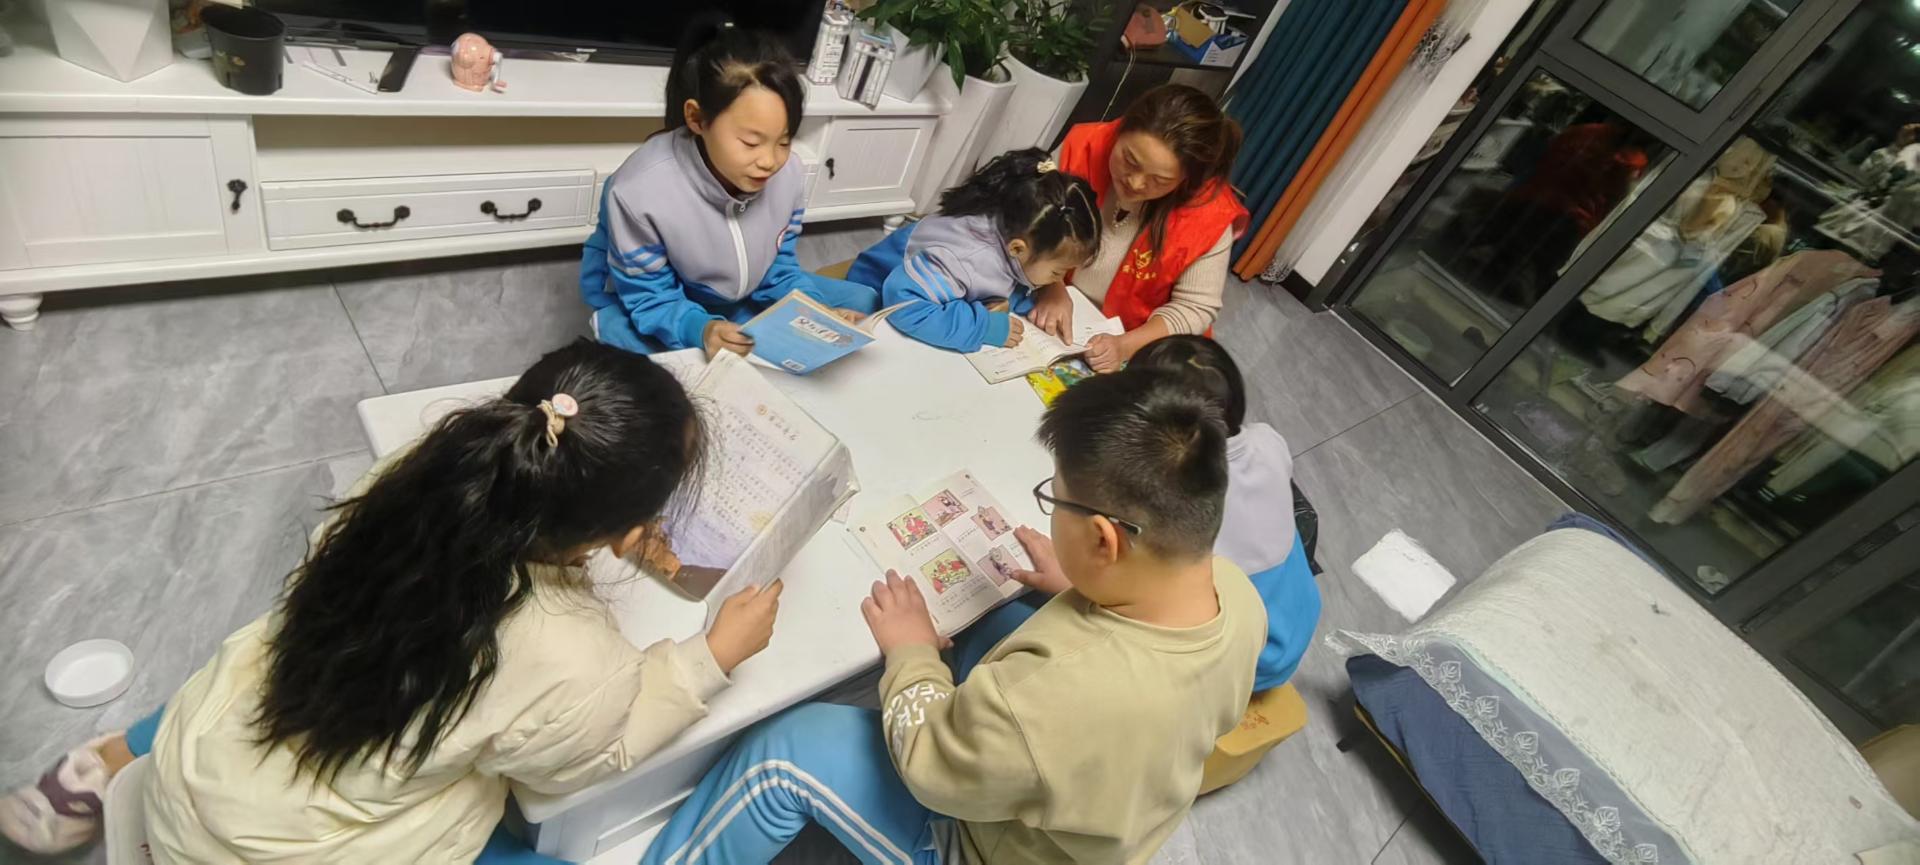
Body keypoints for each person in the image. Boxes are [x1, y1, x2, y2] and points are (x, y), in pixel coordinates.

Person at [1, 341, 783, 862]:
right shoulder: (576, 658)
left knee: (267, 647)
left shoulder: (426, 467)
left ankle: (114, 755)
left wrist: (598, 527)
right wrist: (706, 659)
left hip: (197, 769)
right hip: (286, 849)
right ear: (626, 533)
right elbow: (568, 770)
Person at [639, 368, 1265, 865]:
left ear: (1105, 540)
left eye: (1055, 500)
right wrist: (1082, 584)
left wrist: (912, 655)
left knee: (784, 749)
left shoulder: (1056, 697)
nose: (1051, 510)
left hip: (982, 845)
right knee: (1001, 618)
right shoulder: (1236, 595)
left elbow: (931, 768)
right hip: (1097, 810)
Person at [580, 22, 878, 358]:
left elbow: (778, 265)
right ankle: (615, 326)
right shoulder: (638, 193)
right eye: (750, 142)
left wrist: (816, 310)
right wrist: (701, 329)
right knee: (650, 368)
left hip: (734, 290)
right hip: (656, 297)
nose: (770, 161)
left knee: (862, 302)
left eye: (784, 141)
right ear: (697, 119)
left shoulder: (789, 173)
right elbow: (651, 296)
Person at [1128, 334, 1321, 689]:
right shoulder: (1266, 439)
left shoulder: (1169, 495)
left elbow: (1133, 592)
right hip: (1295, 623)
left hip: (1250, 661)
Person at [1032, 85, 1248, 371]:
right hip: (1054, 303)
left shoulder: (1210, 213)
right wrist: (1053, 287)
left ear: (1187, 180)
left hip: (1136, 338)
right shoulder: (1085, 146)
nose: (1135, 182)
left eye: (1159, 180)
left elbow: (1195, 308)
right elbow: (1034, 215)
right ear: (1120, 131)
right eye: (1129, 160)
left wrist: (1124, 346)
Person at [844, 148, 1102, 351]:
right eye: (1057, 272)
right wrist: (982, 327)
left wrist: (1037, 299)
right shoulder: (968, 258)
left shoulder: (1016, 225)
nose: (1059, 281)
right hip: (870, 298)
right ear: (1017, 248)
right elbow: (903, 304)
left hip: (923, 296)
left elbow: (1001, 280)